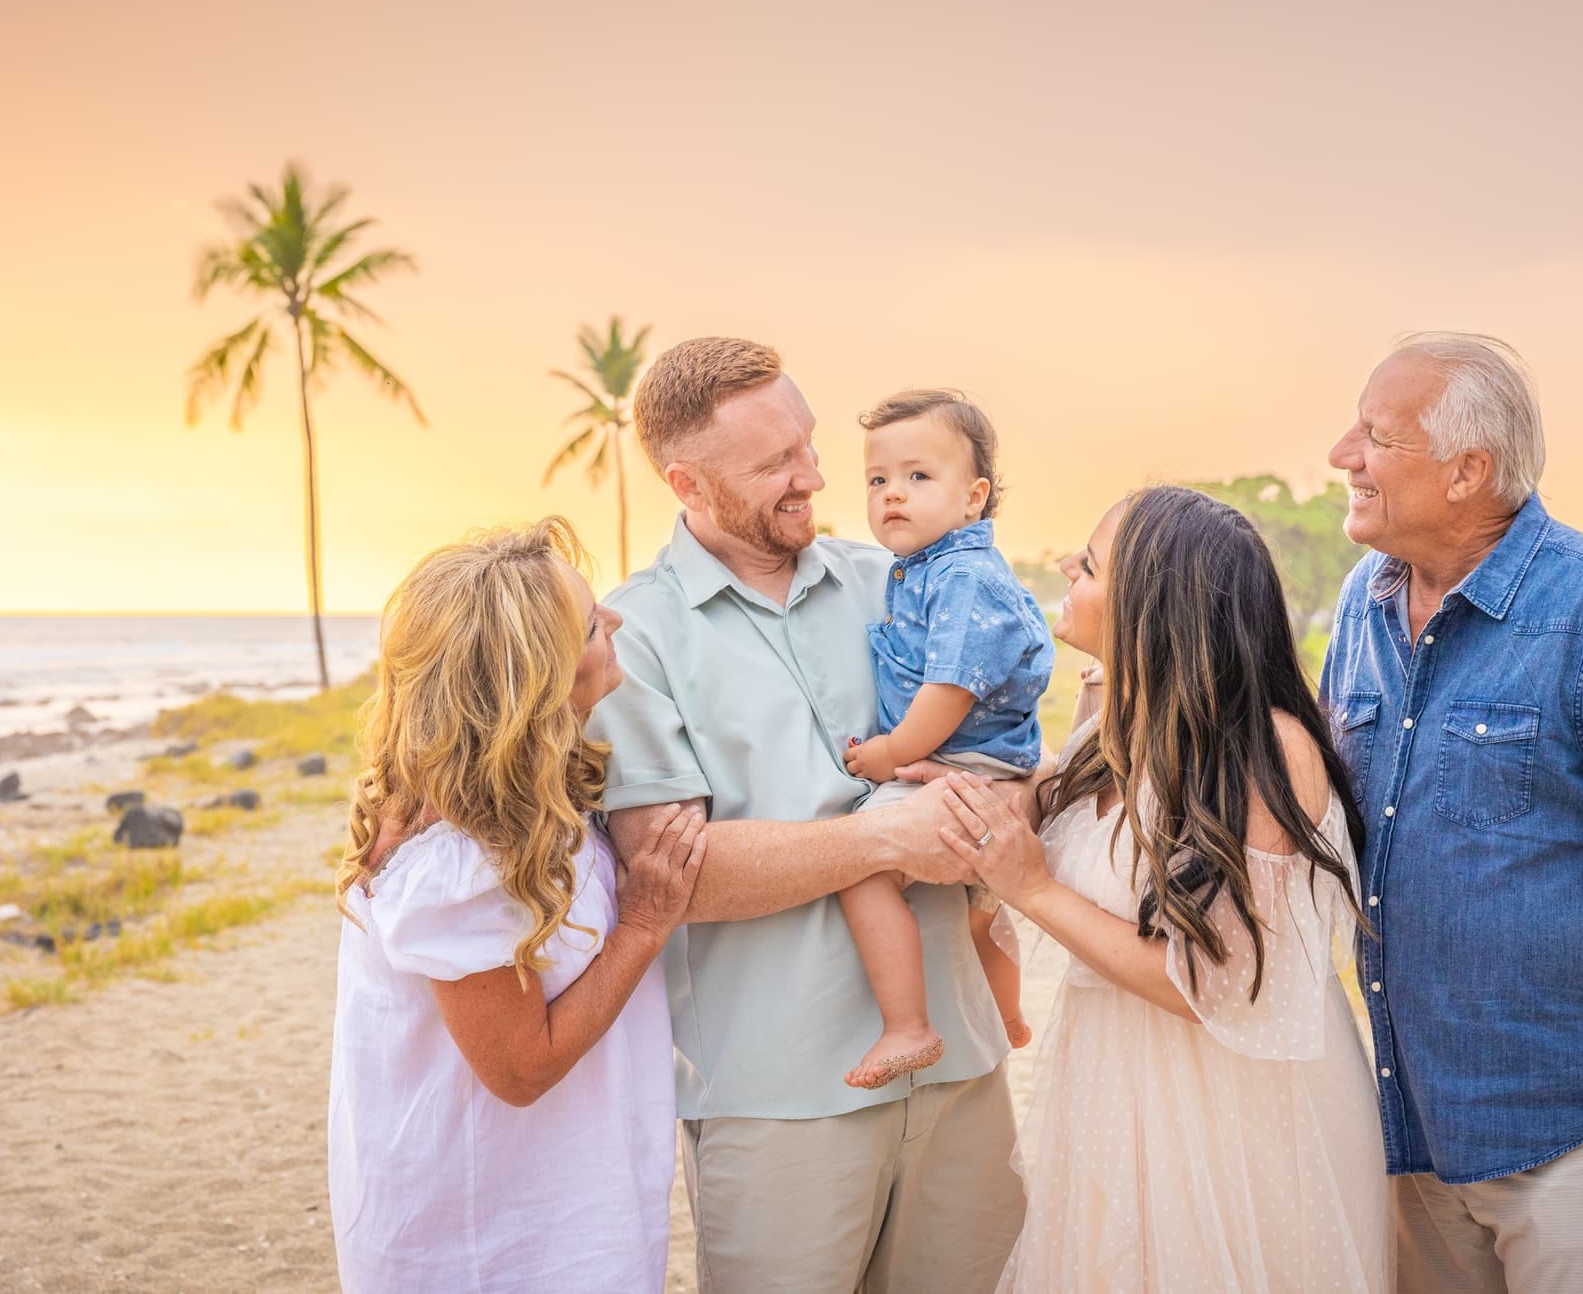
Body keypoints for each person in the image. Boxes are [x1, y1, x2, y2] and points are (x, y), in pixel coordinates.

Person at [589, 338, 1025, 1293]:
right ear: (688, 484)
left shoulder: (901, 580)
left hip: (962, 1067)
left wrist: (1004, 802)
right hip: (778, 1102)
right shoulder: (634, 636)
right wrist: (882, 837)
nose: (815, 477)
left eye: (810, 444)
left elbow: (1004, 758)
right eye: (776, 463)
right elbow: (670, 877)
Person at [1320, 333, 1583, 1291]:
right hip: (1408, 1124)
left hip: (1570, 1134)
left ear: (1467, 471)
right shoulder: (1361, 603)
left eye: (1376, 435)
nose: (1343, 454)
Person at [938, 486, 1394, 1293]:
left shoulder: (1265, 751)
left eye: (1089, 565)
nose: (1066, 569)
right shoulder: (1114, 728)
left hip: (1228, 1125)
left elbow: (1217, 986)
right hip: (1114, 1097)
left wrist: (1032, 890)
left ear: (1153, 607)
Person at [327, 517, 708, 1293]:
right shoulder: (458, 860)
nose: (616, 622)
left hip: (554, 1200)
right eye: (592, 625)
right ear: (539, 680)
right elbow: (519, 1068)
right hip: (489, 1238)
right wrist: (641, 927)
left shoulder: (517, 803)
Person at [838, 388, 1053, 1087]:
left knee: (862, 868)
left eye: (918, 476)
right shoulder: (933, 568)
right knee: (977, 909)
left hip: (962, 758)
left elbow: (949, 690)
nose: (893, 494)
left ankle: (907, 1026)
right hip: (982, 761)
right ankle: (1009, 1016)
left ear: (973, 497)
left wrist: (889, 753)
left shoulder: (963, 576)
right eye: (877, 480)